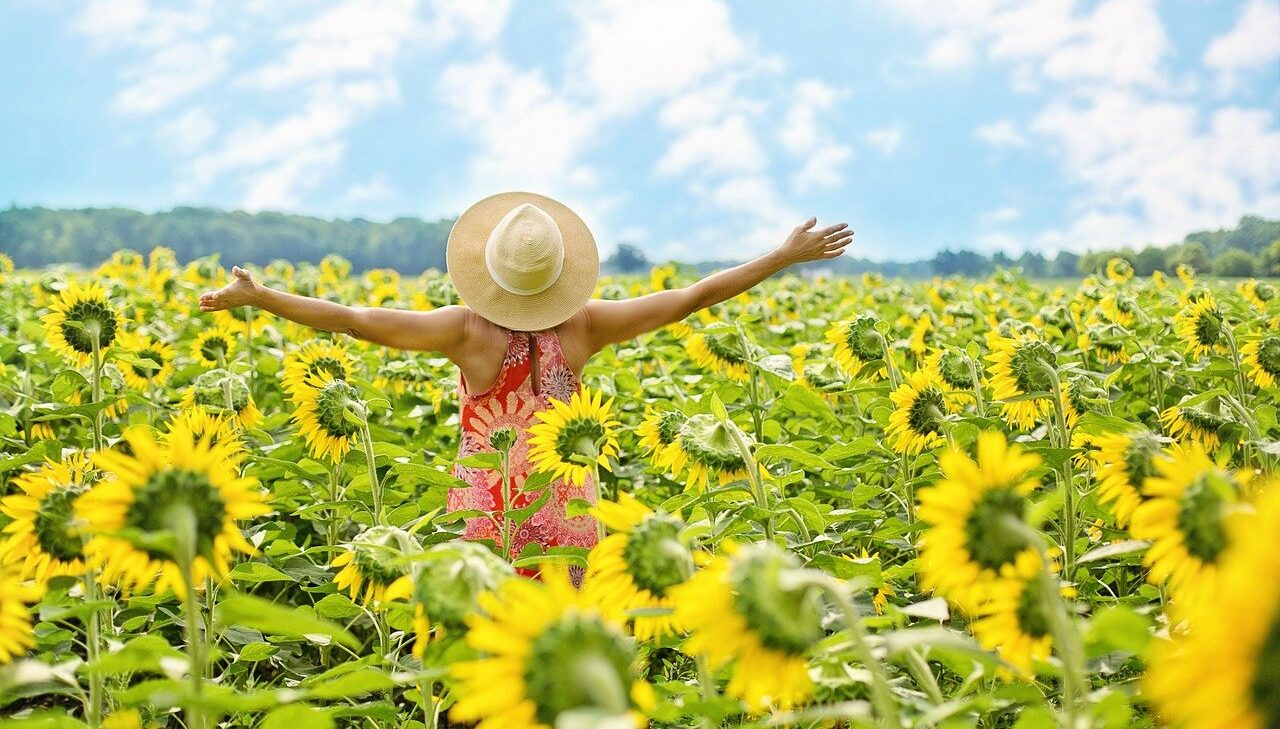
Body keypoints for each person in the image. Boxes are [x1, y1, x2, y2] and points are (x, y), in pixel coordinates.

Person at [199, 191, 853, 572]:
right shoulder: (587, 326)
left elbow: (354, 319)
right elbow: (691, 297)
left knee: (485, 662)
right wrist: (781, 256)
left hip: (492, 515)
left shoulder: (466, 332)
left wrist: (263, 297)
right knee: (558, 665)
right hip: (570, 515)